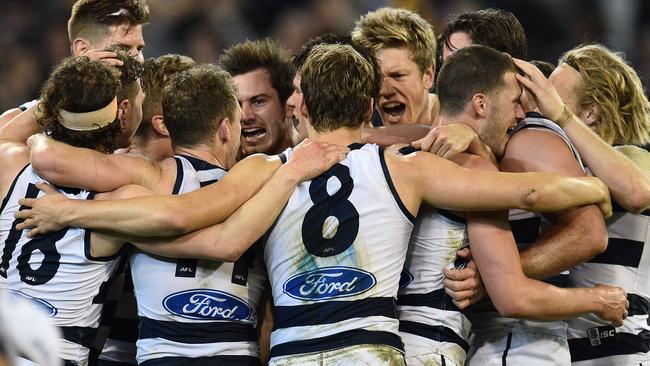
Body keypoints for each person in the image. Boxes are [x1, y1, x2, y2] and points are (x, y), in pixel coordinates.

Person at [18, 43, 621, 365]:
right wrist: (596, 185)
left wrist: (73, 210)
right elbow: (533, 192)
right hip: (379, 346)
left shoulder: (260, 171)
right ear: (366, 106)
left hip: (289, 354)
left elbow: (201, 231)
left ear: (299, 107)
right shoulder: (408, 167)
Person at [397, 45, 627, 366]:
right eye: (515, 101)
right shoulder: (478, 167)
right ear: (481, 102)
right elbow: (512, 293)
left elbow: (594, 227)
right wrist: (597, 298)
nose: (522, 113)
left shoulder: (394, 157)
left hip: (396, 338)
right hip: (497, 343)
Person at [0, 54, 144, 365]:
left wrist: (62, 91)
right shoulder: (125, 195)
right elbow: (182, 218)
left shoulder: (10, 162)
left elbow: (7, 133)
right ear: (122, 112)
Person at [519, 43, 650, 366]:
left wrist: (561, 116)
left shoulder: (633, 159)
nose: (543, 108)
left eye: (553, 97)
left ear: (590, 112)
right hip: (568, 349)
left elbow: (637, 193)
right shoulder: (567, 168)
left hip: (619, 348)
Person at [0, 0, 149, 126]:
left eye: (140, 49)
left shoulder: (154, 121)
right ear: (82, 50)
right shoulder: (16, 125)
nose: (138, 59)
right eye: (123, 48)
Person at [219, 38, 295, 158]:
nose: (245, 116)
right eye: (237, 106)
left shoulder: (324, 167)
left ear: (288, 105)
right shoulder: (220, 174)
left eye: (258, 102)